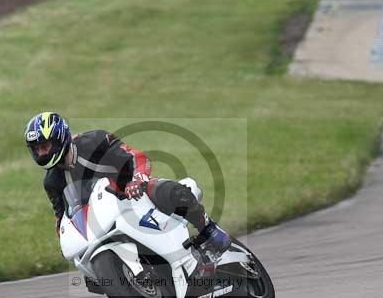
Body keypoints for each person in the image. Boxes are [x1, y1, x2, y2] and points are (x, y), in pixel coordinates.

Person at [24, 111, 232, 266]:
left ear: (60, 138)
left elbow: (136, 156)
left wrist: (138, 180)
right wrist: (64, 240)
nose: (41, 154)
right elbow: (61, 216)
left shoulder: (93, 141)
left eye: (45, 147)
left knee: (169, 191)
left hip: (132, 193)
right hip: (102, 215)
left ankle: (209, 230)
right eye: (37, 149)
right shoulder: (52, 182)